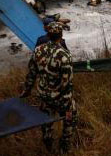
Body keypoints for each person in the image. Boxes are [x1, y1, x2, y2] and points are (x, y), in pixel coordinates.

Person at [21, 22, 77, 153]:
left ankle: (48, 142)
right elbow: (67, 82)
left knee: (47, 118)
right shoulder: (64, 55)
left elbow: (31, 74)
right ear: (61, 35)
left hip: (43, 95)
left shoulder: (38, 50)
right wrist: (67, 101)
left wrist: (26, 90)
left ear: (48, 34)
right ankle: (65, 145)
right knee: (71, 116)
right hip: (60, 98)